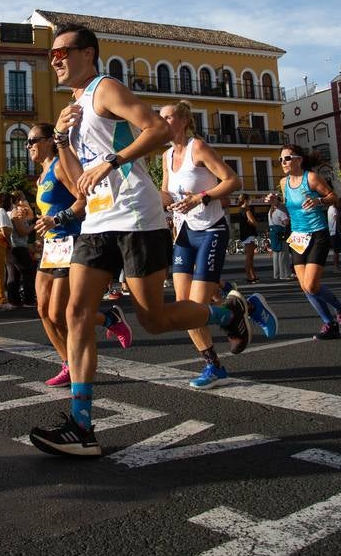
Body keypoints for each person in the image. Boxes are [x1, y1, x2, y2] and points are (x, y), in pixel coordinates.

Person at [28, 25, 270, 457]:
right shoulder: (75, 104)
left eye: (62, 52)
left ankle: (232, 311)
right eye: (51, 55)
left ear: (88, 53)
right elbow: (74, 177)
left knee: (154, 319)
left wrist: (112, 161)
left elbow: (157, 129)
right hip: (98, 220)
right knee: (76, 311)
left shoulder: (105, 88)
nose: (55, 60)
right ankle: (82, 424)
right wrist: (63, 139)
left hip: (137, 215)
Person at [160, 101, 262, 389]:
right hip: (183, 231)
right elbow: (166, 192)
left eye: (167, 117)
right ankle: (214, 362)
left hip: (211, 230)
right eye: (160, 118)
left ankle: (235, 309)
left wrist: (200, 197)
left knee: (195, 305)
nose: (162, 122)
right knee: (184, 308)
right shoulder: (166, 156)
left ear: (182, 120)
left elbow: (233, 180)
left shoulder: (199, 148)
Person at [29, 122, 134, 388]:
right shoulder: (40, 175)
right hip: (51, 247)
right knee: (42, 310)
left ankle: (109, 318)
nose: (28, 146)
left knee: (58, 313)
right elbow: (49, 211)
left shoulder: (60, 166)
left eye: (33, 140)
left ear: (50, 141)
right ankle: (68, 363)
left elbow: (82, 199)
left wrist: (57, 219)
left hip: (71, 241)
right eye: (27, 142)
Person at [279, 145, 341, 338]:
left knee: (311, 285)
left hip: (317, 233)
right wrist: (275, 203)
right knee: (305, 287)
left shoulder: (310, 178)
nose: (283, 163)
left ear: (298, 160)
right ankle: (330, 324)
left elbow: (333, 197)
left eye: (287, 158)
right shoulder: (283, 183)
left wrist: (319, 201)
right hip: (297, 237)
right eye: (281, 160)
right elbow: (290, 208)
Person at [6, 192, 36, 306]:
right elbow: (22, 232)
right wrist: (34, 225)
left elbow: (30, 215)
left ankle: (14, 301)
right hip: (19, 247)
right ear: (18, 200)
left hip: (11, 248)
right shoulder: (14, 213)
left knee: (13, 275)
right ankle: (29, 299)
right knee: (28, 273)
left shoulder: (11, 212)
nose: (25, 201)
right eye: (24, 199)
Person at [232, 194, 261, 284]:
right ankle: (249, 276)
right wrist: (254, 223)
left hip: (245, 235)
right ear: (245, 200)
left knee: (250, 257)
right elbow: (254, 222)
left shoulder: (241, 210)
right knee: (249, 257)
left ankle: (253, 275)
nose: (250, 201)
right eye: (249, 199)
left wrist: (251, 222)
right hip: (249, 234)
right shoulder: (247, 210)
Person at [266, 192, 291, 280]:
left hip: (273, 233)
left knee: (276, 254)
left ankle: (276, 274)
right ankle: (284, 274)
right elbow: (286, 222)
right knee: (283, 254)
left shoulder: (270, 210)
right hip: (280, 232)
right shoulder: (281, 209)